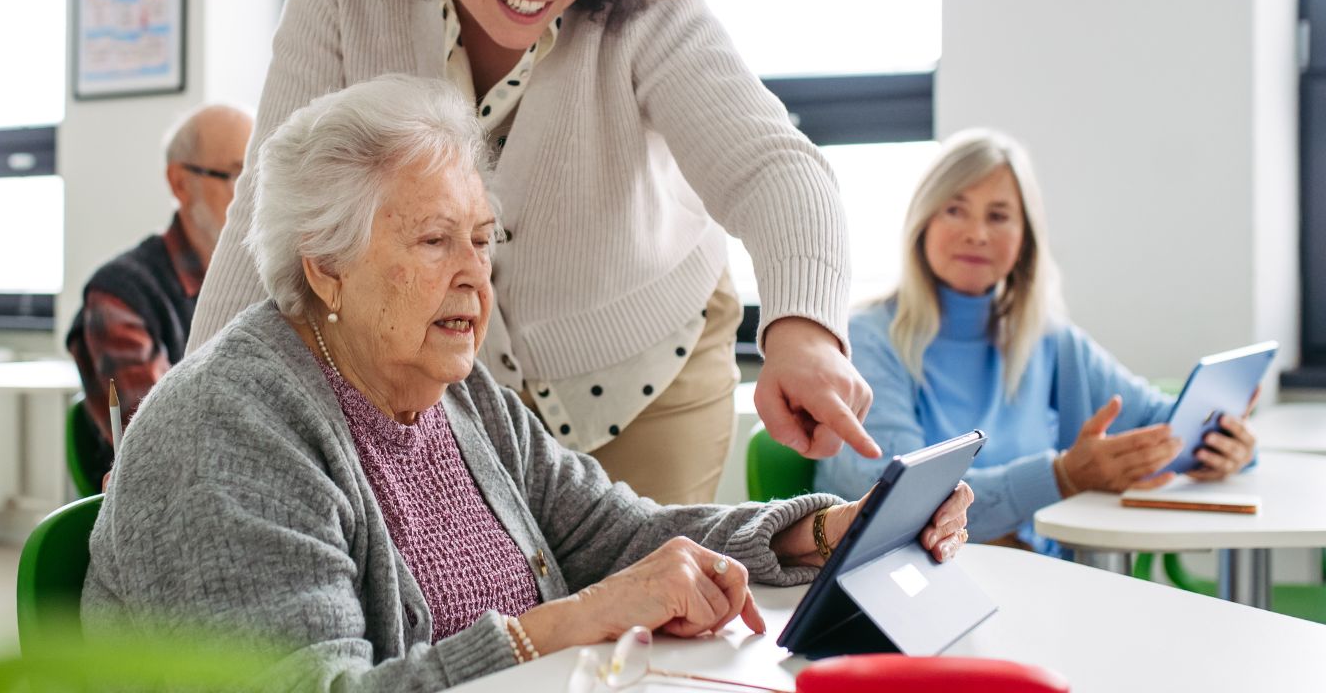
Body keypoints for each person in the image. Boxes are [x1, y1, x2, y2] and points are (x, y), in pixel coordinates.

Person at [82, 76, 973, 691]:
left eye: (483, 237)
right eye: (435, 241)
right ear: (326, 268)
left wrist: (828, 530)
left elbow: (618, 535)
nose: (475, 273)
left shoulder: (455, 393)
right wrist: (571, 621)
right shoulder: (227, 429)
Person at [184, 0, 880, 504]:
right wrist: (190, 411)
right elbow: (271, 207)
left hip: (648, 364)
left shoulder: (646, 3)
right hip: (452, 384)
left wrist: (806, 332)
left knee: (649, 604)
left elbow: (772, 167)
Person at [815, 129, 1257, 553]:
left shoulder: (1049, 340)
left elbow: (1162, 425)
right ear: (922, 221)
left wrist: (1225, 445)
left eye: (999, 216)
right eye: (955, 209)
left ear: (1024, 238)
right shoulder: (869, 341)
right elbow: (893, 500)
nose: (977, 233)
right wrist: (1061, 477)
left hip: (1042, 576)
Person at [65, 103, 252, 482]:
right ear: (180, 183)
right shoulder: (119, 294)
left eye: (260, 178)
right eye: (237, 175)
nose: (253, 197)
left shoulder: (262, 281)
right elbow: (166, 438)